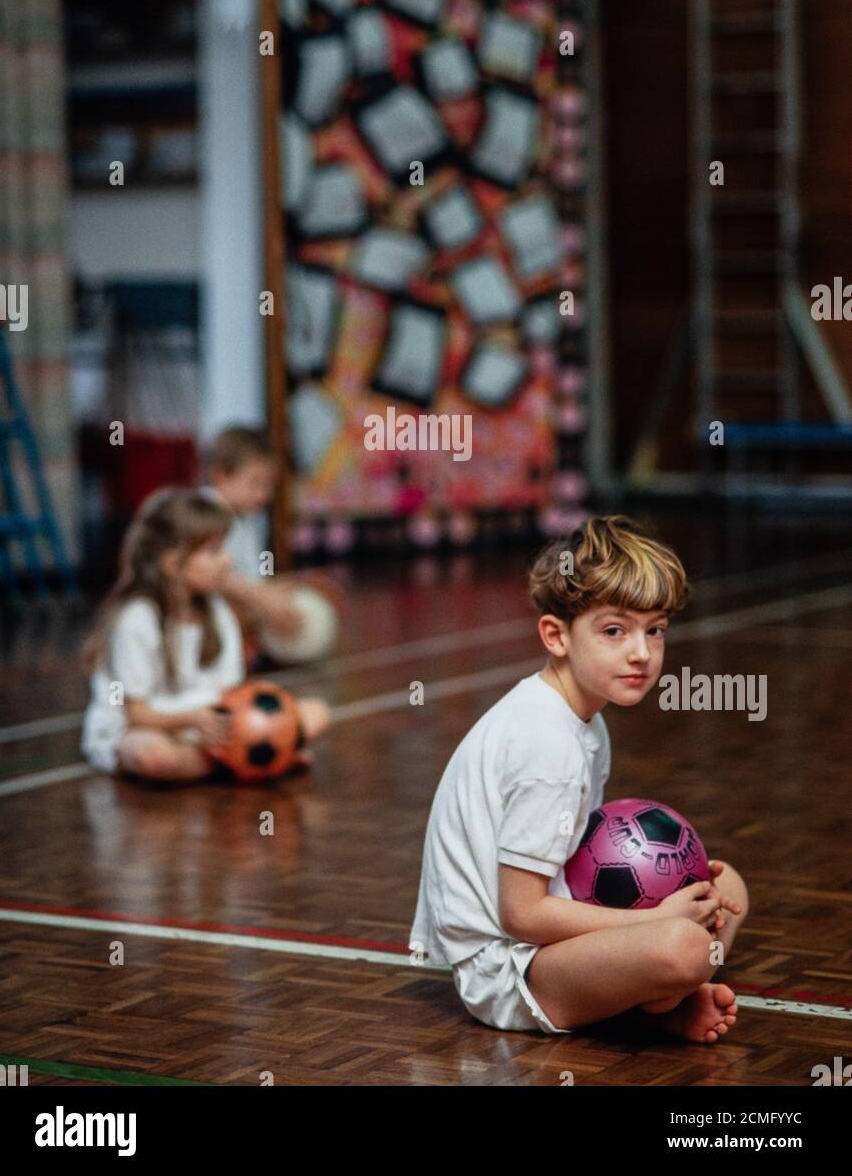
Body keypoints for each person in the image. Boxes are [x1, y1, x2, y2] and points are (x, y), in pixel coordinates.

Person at [408, 515, 748, 1043]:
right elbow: (521, 915)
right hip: (511, 970)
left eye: (654, 629)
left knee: (728, 887)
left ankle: (654, 998)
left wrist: (677, 883)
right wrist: (655, 918)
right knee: (681, 946)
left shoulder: (583, 719)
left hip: (548, 941)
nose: (641, 652)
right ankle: (655, 1001)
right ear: (556, 635)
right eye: (615, 630)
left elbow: (576, 858)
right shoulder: (547, 744)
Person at [81, 487, 330, 781]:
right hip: (144, 728)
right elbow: (135, 713)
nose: (228, 562)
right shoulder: (137, 619)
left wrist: (255, 722)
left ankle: (240, 760)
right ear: (173, 564)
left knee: (316, 712)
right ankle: (254, 762)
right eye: (214, 551)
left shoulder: (216, 609)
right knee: (154, 758)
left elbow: (229, 692)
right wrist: (192, 719)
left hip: (205, 724)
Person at [204, 425, 344, 665]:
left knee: (311, 589)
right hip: (208, 609)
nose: (265, 495)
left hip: (239, 602)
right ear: (221, 476)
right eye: (256, 483)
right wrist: (263, 600)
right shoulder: (206, 513)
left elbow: (250, 579)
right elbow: (214, 577)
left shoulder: (244, 521)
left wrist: (294, 583)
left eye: (269, 485)